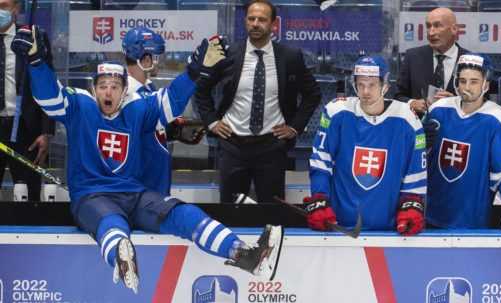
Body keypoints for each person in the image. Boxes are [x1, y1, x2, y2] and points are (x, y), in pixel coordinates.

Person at [11, 26, 284, 294]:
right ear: (94, 89)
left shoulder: (138, 109)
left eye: (115, 87)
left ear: (123, 91)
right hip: (92, 196)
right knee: (110, 221)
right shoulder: (79, 106)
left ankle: (246, 255)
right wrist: (36, 62)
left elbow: (172, 99)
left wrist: (193, 71)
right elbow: (49, 97)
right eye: (103, 86)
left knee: (181, 212)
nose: (108, 92)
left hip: (136, 195)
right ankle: (121, 259)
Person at [194, 0, 321, 204]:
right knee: (231, 212)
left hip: (271, 148)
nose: (255, 23)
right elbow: (201, 90)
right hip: (232, 145)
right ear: (245, 22)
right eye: (251, 19)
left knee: (272, 213)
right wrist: (212, 122)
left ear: (273, 25)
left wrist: (295, 127)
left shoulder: (290, 57)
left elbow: (313, 94)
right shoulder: (227, 55)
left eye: (262, 19)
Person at [305, 55, 427, 235]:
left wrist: (411, 205)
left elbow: (415, 173)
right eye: (360, 85)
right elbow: (321, 162)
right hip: (339, 227)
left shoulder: (408, 120)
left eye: (372, 85)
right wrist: (319, 198)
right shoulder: (336, 112)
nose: (366, 92)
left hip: (390, 231)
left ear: (385, 85)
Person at [425, 53, 501, 229]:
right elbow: (418, 158)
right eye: (462, 81)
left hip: (472, 222)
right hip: (429, 218)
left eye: (474, 81)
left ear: (486, 84)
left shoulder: (498, 119)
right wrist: (421, 141)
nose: (467, 87)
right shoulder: (439, 109)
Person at [122, 26, 205, 196]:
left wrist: (171, 132)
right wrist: (194, 70)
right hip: (139, 185)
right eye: (156, 57)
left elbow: (145, 125)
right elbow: (172, 99)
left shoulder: (147, 86)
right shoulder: (126, 93)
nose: (159, 62)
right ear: (144, 60)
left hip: (153, 181)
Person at [0, 0, 55, 201]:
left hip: (26, 129)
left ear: (16, 9)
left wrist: (46, 132)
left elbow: (48, 84)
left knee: (29, 197)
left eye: (4, 6)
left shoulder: (34, 37)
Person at [395, 7, 468, 116]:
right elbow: (397, 96)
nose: (431, 32)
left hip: (458, 129)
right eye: (428, 26)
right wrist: (411, 103)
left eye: (437, 26)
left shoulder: (470, 60)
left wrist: (457, 101)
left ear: (454, 29)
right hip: (420, 128)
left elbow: (482, 101)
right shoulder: (413, 57)